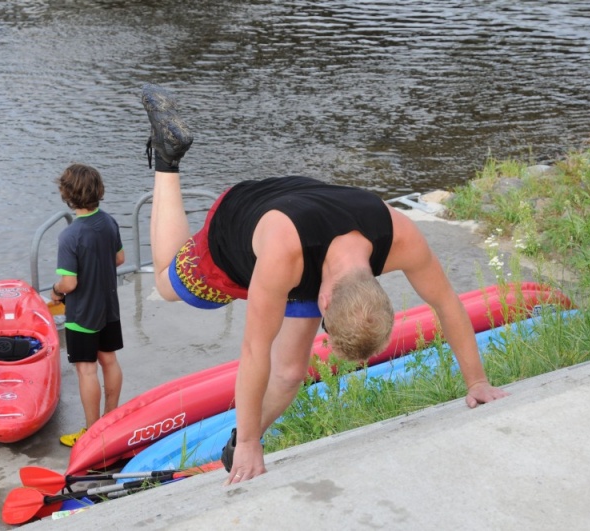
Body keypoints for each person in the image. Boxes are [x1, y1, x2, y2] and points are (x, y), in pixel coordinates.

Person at [140, 83, 509, 485]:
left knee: (291, 374)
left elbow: (447, 303)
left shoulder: (400, 236)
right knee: (165, 285)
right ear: (326, 299)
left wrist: (477, 382)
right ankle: (167, 160)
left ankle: (237, 440)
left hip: (312, 229)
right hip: (243, 223)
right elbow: (253, 348)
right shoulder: (283, 258)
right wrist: (251, 444)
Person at [51, 164, 125, 448]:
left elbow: (69, 283)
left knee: (86, 370)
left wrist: (55, 290)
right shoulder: (109, 222)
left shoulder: (70, 236)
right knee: (109, 360)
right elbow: (120, 259)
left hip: (81, 313)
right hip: (109, 307)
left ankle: (94, 432)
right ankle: (112, 417)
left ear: (67, 194)